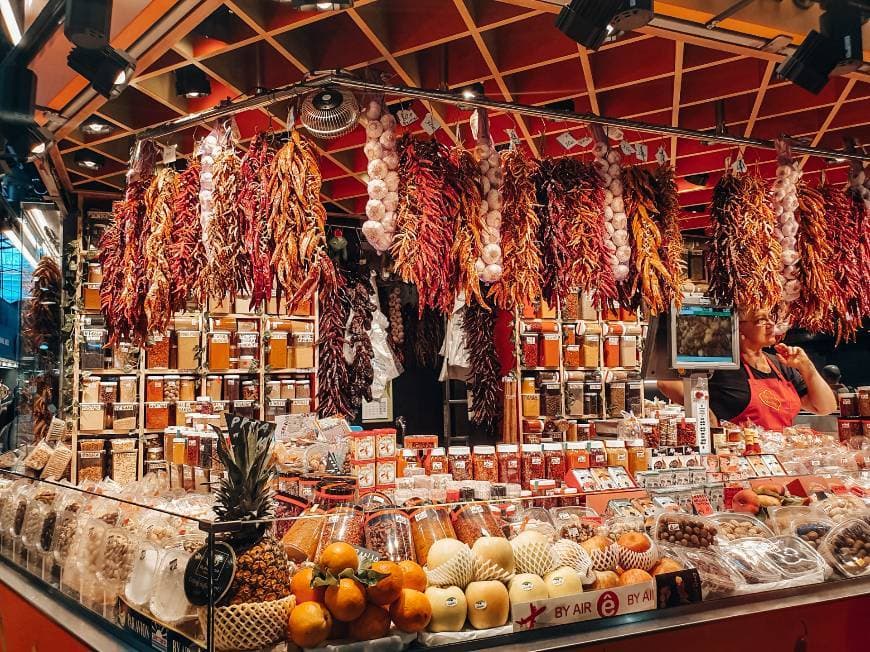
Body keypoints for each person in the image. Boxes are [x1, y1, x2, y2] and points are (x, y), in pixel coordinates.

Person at [658, 307, 837, 430]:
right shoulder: (721, 364)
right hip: (741, 460)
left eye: (770, 318)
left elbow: (824, 407)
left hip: (780, 460)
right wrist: (703, 410)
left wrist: (807, 367)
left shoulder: (780, 365)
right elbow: (665, 382)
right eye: (761, 320)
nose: (770, 324)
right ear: (738, 328)